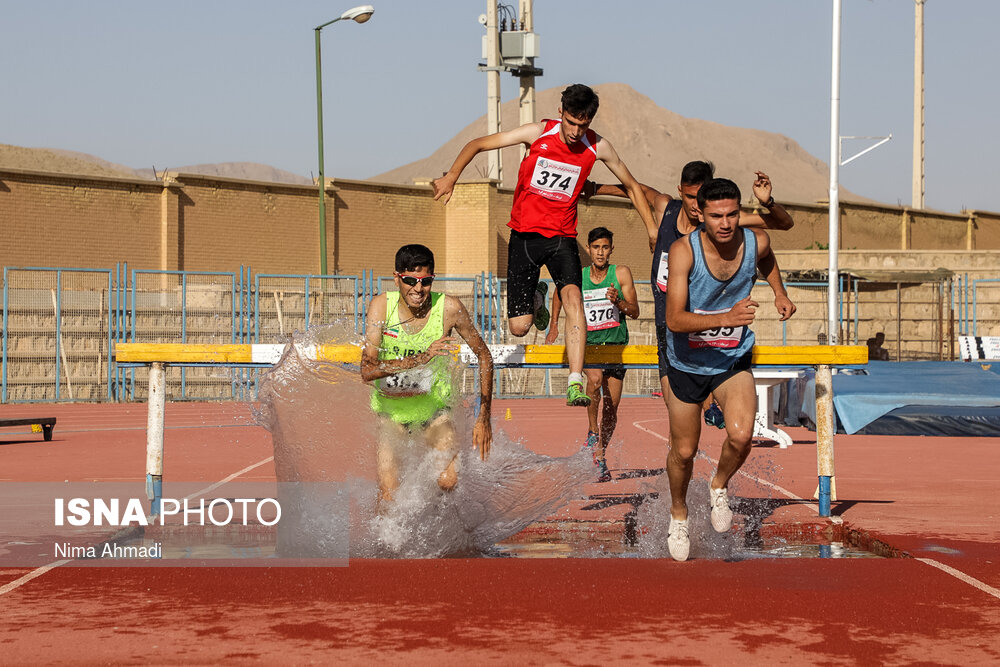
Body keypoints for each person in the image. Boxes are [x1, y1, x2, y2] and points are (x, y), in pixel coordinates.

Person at [432, 84, 657, 408]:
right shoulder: (538, 132)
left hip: (563, 237)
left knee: (573, 300)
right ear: (561, 112)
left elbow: (633, 186)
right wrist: (452, 176)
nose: (576, 132)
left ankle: (574, 382)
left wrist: (650, 227)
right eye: (571, 123)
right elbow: (478, 143)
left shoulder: (597, 146)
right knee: (520, 327)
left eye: (583, 125)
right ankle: (537, 296)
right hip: (524, 237)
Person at [589, 162, 796, 427]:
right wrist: (594, 188)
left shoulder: (720, 221)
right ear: (680, 192)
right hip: (672, 324)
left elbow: (780, 227)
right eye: (689, 197)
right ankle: (701, 412)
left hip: (709, 323)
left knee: (712, 397)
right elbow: (635, 190)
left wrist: (769, 202)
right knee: (675, 411)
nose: (696, 205)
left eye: (701, 198)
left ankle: (711, 403)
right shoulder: (666, 208)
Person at [662, 178, 795, 561]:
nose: (725, 223)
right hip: (687, 362)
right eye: (717, 216)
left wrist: (779, 292)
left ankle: (718, 486)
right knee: (684, 452)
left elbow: (767, 257)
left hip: (730, 359)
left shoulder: (755, 242)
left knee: (740, 436)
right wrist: (728, 315)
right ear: (699, 215)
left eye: (733, 214)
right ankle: (678, 512)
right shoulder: (683, 252)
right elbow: (673, 319)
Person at [361, 244, 494, 512]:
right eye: (410, 281)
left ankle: (437, 523)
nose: (418, 290)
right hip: (391, 416)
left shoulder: (449, 309)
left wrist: (484, 417)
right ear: (397, 278)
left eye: (425, 282)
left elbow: (484, 356)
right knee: (388, 496)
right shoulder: (380, 307)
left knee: (448, 480)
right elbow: (367, 370)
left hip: (435, 413)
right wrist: (420, 358)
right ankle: (383, 543)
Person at [545, 227, 639, 482]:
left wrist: (618, 302)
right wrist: (554, 324)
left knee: (612, 408)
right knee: (594, 380)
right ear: (589, 249)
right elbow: (558, 293)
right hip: (588, 347)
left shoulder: (620, 273)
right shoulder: (580, 274)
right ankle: (591, 430)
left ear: (611, 249)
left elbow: (635, 311)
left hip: (616, 348)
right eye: (596, 247)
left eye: (605, 247)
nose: (600, 252)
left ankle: (601, 454)